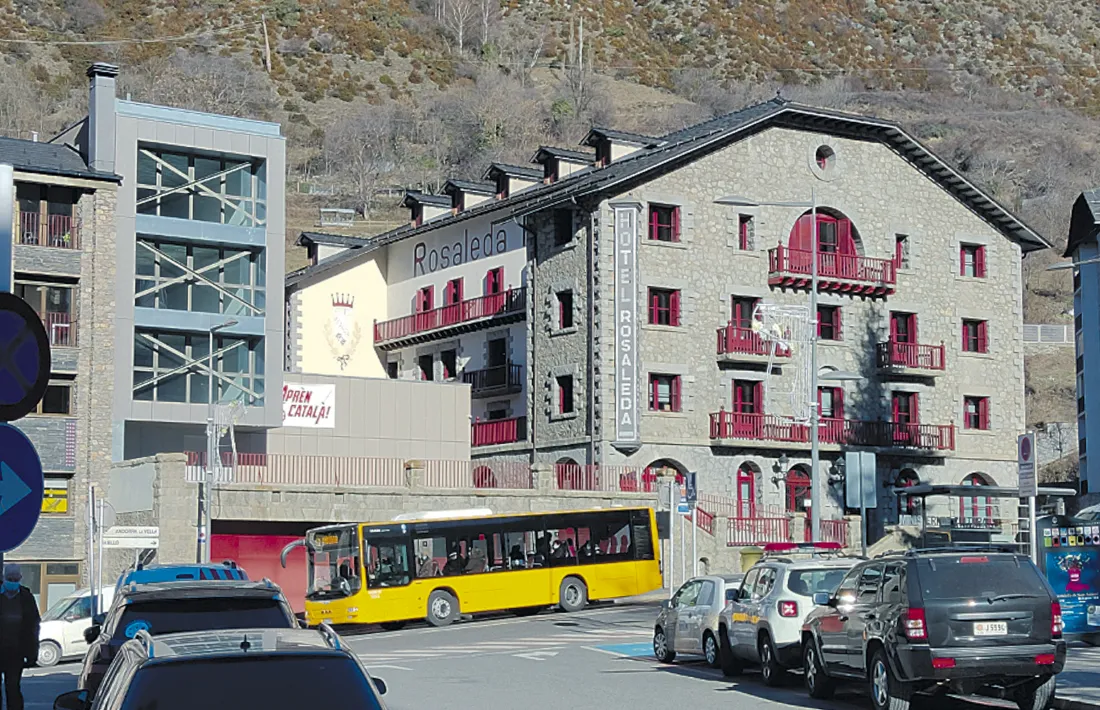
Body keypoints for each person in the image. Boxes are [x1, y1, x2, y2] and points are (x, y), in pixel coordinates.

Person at [0, 564, 39, 710]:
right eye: (10, 578)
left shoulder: (26, 597)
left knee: (13, 687)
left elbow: (33, 626)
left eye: (15, 579)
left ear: (20, 578)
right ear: (4, 578)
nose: (12, 582)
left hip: (16, 651)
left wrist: (32, 653)